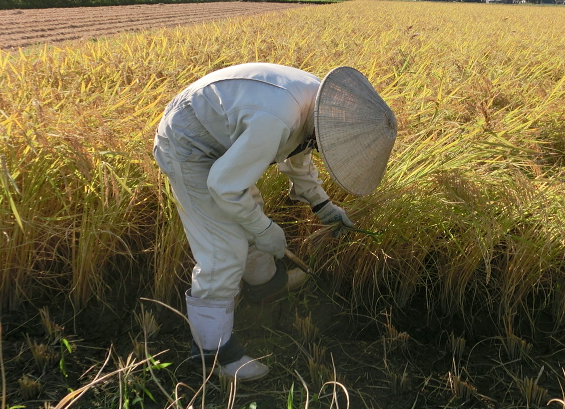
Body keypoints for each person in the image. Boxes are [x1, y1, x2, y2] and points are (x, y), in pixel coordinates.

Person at [153, 63, 397, 381]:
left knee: (248, 210)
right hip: (190, 146)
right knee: (224, 249)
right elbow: (224, 187)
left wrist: (323, 206)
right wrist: (263, 228)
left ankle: (265, 287)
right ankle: (212, 353)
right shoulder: (278, 118)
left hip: (224, 137)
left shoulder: (320, 104)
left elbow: (299, 150)